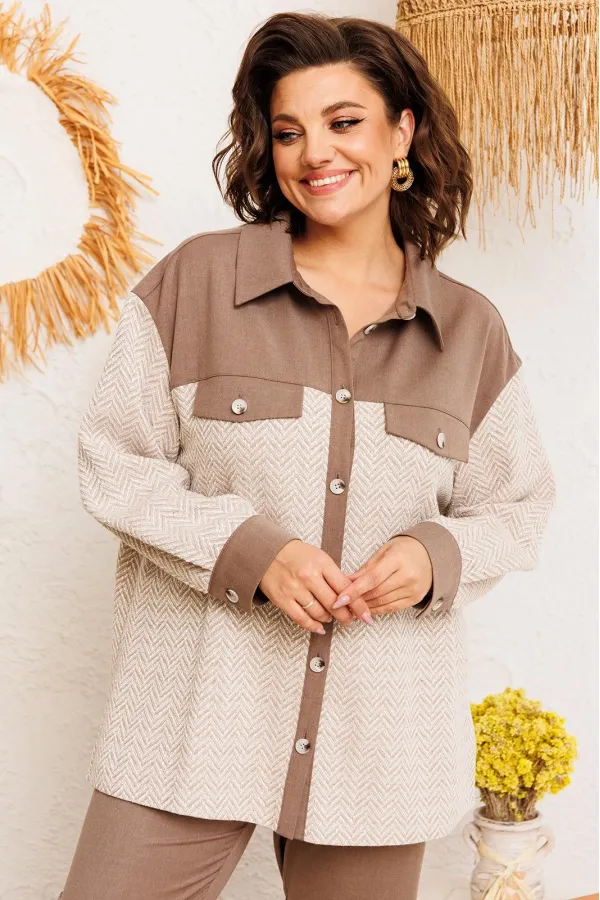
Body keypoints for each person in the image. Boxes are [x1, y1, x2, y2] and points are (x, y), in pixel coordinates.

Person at [60, 11, 557, 900]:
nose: (314, 152)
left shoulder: (469, 331)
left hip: (381, 746)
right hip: (192, 725)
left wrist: (433, 556)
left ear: (402, 132)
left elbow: (517, 508)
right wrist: (252, 552)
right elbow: (115, 461)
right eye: (288, 131)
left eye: (344, 121)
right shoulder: (196, 283)